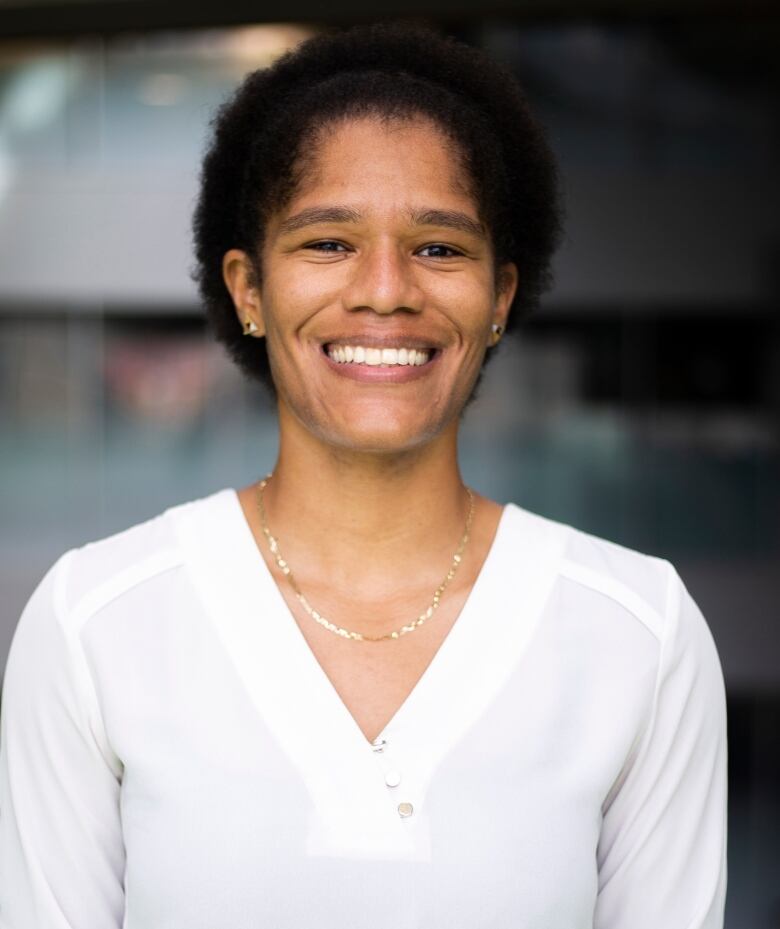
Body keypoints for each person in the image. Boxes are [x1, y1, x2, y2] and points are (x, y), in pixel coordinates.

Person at [0, 21, 727, 929]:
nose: (385, 290)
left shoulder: (639, 635)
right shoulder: (94, 625)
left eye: (439, 247)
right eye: (327, 242)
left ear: (500, 296)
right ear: (248, 289)